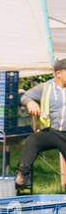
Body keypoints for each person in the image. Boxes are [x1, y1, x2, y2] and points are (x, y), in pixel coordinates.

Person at [15, 58, 66, 188]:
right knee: (33, 141)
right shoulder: (46, 87)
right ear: (58, 73)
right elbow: (23, 96)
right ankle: (22, 175)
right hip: (52, 132)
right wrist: (30, 102)